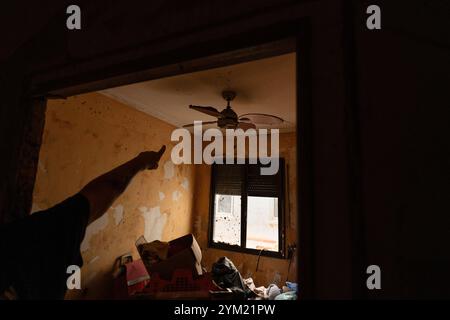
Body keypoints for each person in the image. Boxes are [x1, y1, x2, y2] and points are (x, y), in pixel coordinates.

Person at [0, 146, 166, 299]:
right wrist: (141, 163)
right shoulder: (31, 242)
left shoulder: (29, 242)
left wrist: (141, 163)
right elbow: (103, 192)